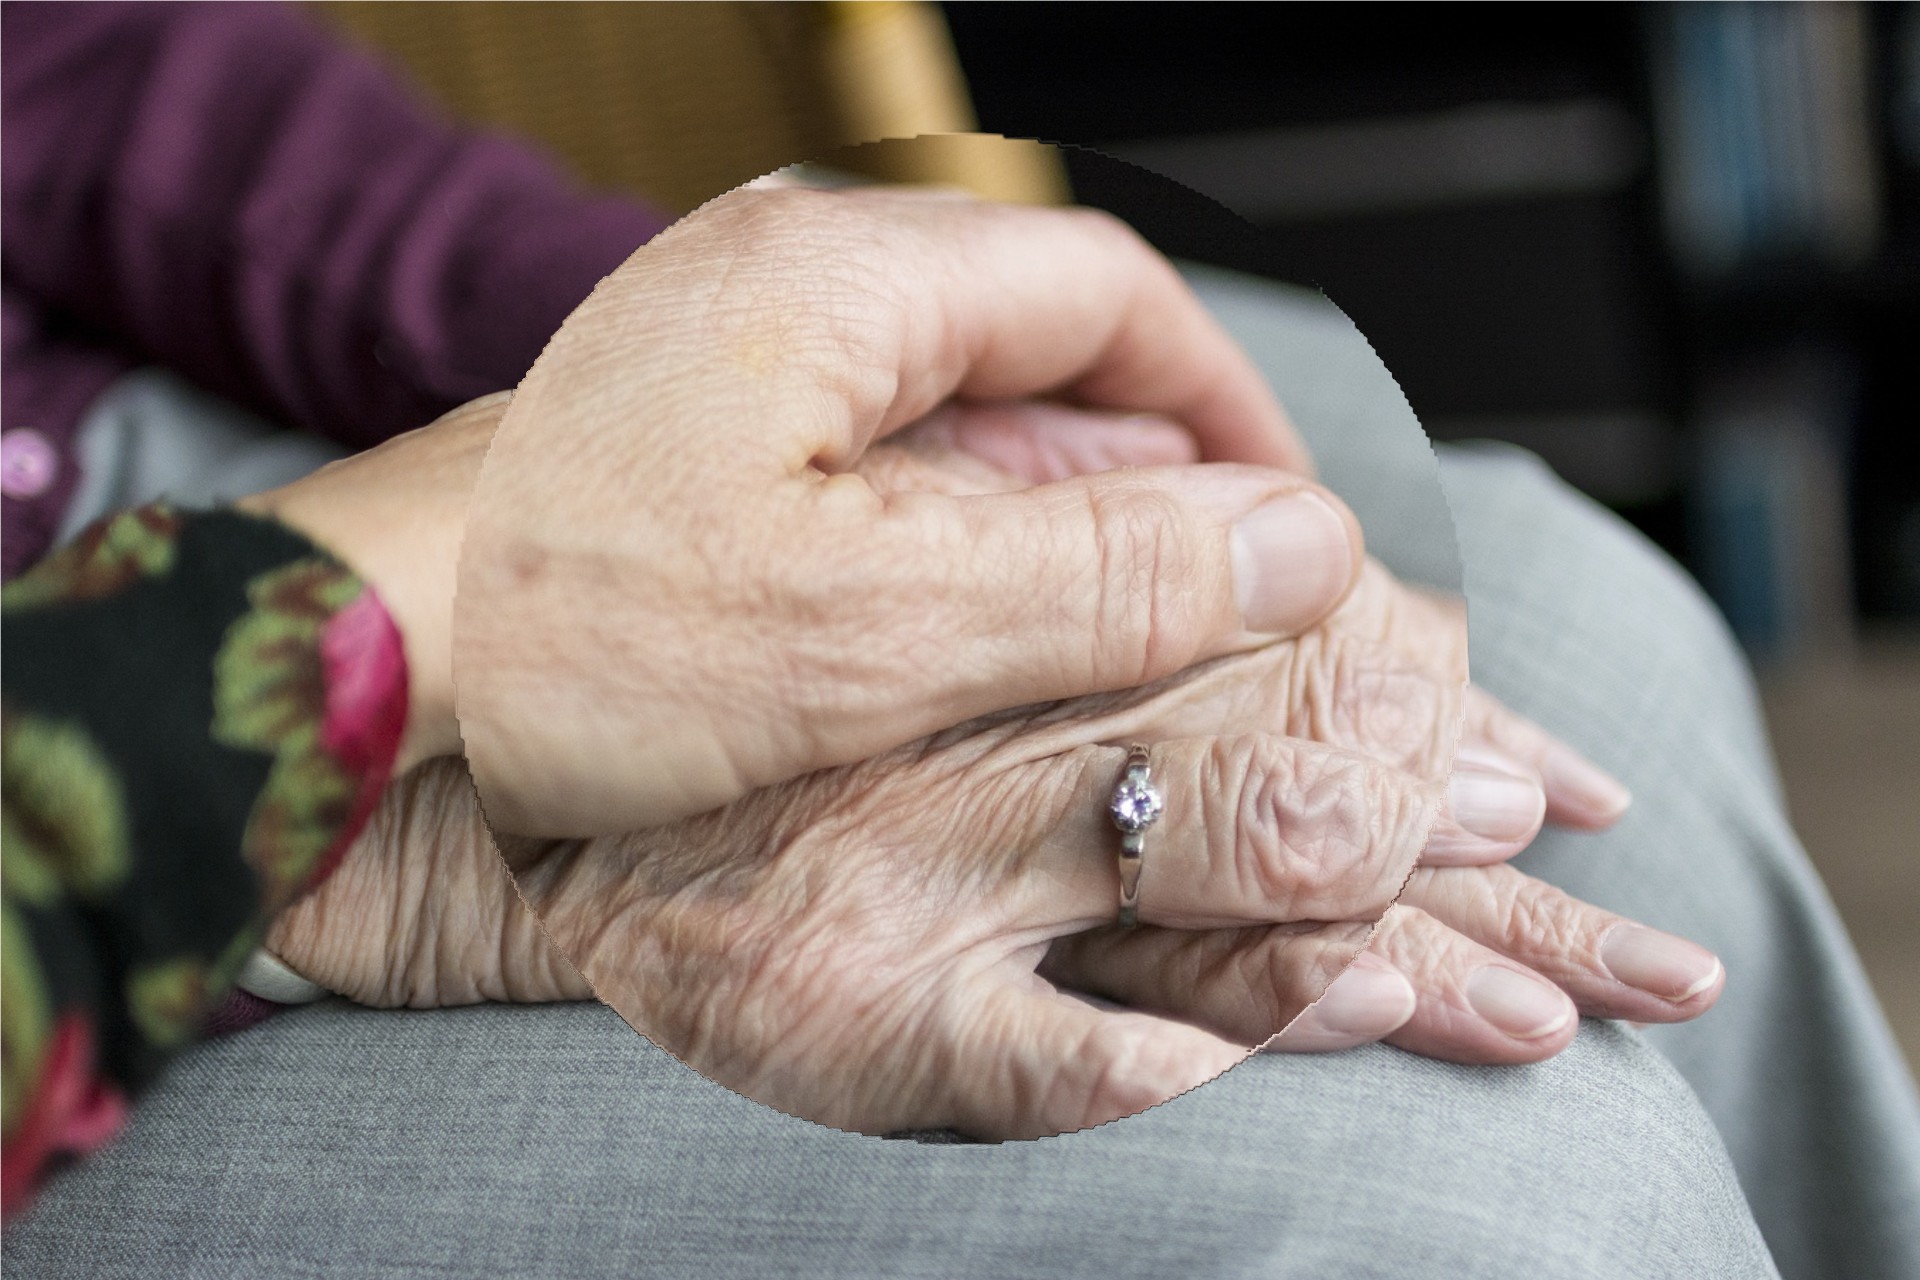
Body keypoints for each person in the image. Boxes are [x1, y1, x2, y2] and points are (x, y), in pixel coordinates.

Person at [3, 5, 1916, 1277]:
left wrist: (681, 382)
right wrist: (341, 750)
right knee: (1489, 1184)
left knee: (1558, 625)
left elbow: (69, 68)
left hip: (142, 432)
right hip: (79, 885)